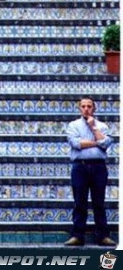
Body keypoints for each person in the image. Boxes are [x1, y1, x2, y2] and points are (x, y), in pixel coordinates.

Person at [64, 97, 115, 246]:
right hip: (80, 167)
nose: (86, 109)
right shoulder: (73, 125)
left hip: (99, 167)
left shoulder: (102, 126)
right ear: (79, 108)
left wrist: (93, 128)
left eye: (89, 106)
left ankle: (102, 235)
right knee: (80, 202)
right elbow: (76, 143)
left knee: (99, 202)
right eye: (83, 106)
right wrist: (96, 142)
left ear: (94, 108)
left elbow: (105, 144)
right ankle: (78, 235)